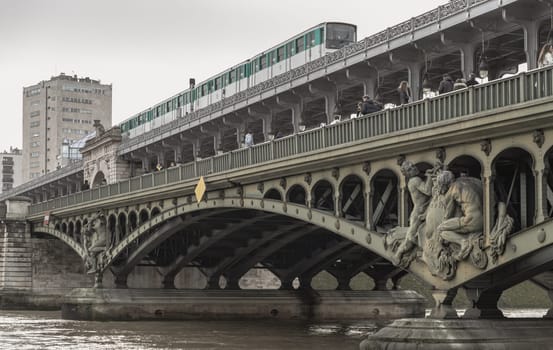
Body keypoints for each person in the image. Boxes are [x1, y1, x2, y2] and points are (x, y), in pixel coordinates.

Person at [392, 160, 433, 266]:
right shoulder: (415, 180)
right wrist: (429, 176)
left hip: (425, 210)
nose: (414, 168)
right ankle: (398, 254)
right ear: (407, 173)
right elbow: (428, 191)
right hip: (419, 213)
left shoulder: (416, 180)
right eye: (410, 168)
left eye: (413, 166)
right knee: (410, 239)